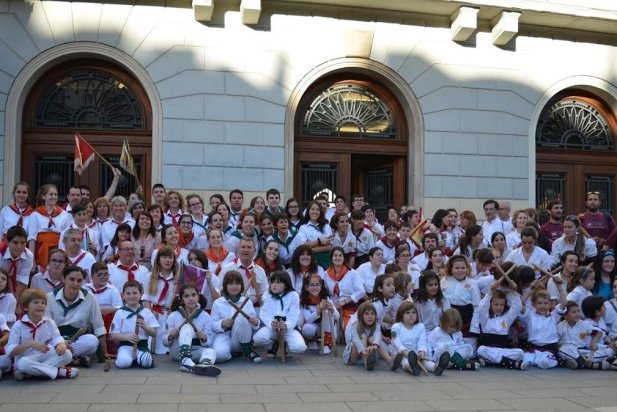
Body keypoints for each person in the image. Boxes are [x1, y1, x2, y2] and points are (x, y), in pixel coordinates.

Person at [7, 287, 78, 380]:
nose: (40, 305)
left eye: (43, 303)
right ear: (25, 307)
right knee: (23, 364)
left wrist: (60, 344)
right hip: (27, 358)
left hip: (45, 356)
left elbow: (56, 337)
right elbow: (10, 351)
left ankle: (31, 372)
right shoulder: (18, 325)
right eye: (36, 302)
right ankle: (59, 372)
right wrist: (31, 344)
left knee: (67, 354)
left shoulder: (49, 322)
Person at [45, 266, 107, 367]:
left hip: (77, 340)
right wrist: (60, 342)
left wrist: (104, 354)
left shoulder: (90, 298)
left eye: (79, 280)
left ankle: (63, 358)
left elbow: (99, 327)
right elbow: (46, 328)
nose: (75, 284)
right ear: (63, 279)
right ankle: (74, 360)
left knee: (92, 341)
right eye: (72, 279)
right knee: (47, 346)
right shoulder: (49, 298)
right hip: (55, 340)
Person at [163, 284, 221, 376]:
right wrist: (170, 336)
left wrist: (204, 338)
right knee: (187, 327)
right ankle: (185, 360)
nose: (191, 298)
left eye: (193, 295)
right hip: (178, 352)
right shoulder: (173, 316)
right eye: (186, 296)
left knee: (211, 351)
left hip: (194, 350)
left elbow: (209, 343)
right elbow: (165, 342)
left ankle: (204, 366)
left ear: (198, 297)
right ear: (182, 300)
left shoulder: (205, 316)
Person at [210, 270, 262, 363]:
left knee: (241, 318)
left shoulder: (246, 301)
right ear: (225, 285)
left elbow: (254, 324)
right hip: (224, 336)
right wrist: (222, 323)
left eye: (237, 283)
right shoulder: (218, 303)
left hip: (240, 339)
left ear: (241, 285)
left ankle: (247, 351)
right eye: (230, 283)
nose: (234, 286)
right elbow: (212, 325)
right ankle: (233, 352)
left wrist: (255, 322)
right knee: (220, 355)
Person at [253, 270, 306, 357]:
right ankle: (273, 345)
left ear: (285, 285)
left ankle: (286, 348)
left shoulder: (293, 295)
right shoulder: (267, 294)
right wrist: (271, 323)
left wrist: (286, 324)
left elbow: (294, 314)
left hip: (288, 329)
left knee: (299, 347)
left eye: (278, 283)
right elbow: (264, 313)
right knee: (258, 338)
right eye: (272, 282)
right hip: (272, 328)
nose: (274, 285)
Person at [391, 301, 450, 375]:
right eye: (407, 313)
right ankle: (412, 368)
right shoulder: (396, 326)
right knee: (404, 361)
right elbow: (397, 343)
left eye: (414, 312)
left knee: (425, 361)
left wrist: (421, 352)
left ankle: (436, 368)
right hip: (401, 353)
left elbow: (422, 341)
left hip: (415, 352)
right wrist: (408, 354)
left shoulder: (420, 326)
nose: (411, 315)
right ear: (401, 315)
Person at [477, 280, 526, 369]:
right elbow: (482, 307)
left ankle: (491, 362)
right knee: (481, 350)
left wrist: (514, 291)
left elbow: (517, 307)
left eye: (502, 305)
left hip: (502, 350)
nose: (499, 307)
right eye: (496, 304)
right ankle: (510, 363)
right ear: (490, 304)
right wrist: (490, 292)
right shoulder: (485, 318)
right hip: (489, 349)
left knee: (520, 353)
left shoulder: (506, 318)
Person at [110, 280, 158, 369]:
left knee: (147, 362)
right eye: (128, 293)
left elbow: (154, 333)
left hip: (142, 346)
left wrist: (145, 326)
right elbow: (113, 335)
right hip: (125, 346)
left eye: (135, 293)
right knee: (123, 363)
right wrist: (126, 337)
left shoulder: (146, 312)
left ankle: (138, 359)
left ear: (141, 294)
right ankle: (127, 358)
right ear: (123, 295)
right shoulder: (120, 312)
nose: (131, 296)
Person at [519, 285, 567, 369]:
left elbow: (564, 304)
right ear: (533, 304)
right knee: (525, 358)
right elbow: (519, 304)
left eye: (545, 303)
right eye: (539, 303)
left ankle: (557, 361)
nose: (543, 306)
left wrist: (559, 287)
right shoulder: (530, 316)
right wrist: (530, 290)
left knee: (544, 361)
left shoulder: (554, 316)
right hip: (533, 348)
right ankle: (528, 362)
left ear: (550, 304)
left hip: (548, 350)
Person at [143, 246, 179, 354]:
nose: (167, 260)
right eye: (164, 257)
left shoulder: (178, 278)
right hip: (156, 315)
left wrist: (179, 285)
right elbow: (146, 299)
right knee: (154, 347)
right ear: (158, 259)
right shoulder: (150, 277)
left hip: (171, 314)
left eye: (170, 257)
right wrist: (150, 316)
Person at [558, 300, 613, 370]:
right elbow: (556, 343)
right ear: (565, 315)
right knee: (563, 350)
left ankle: (579, 363)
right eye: (573, 312)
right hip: (571, 352)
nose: (577, 314)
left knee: (608, 352)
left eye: (578, 311)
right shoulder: (561, 326)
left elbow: (599, 332)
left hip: (584, 352)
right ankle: (592, 365)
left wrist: (594, 342)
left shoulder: (584, 324)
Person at [218, 237, 268, 309]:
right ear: (238, 249)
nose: (246, 250)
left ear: (254, 251)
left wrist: (262, 297)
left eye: (249, 247)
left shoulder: (260, 271)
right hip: (231, 308)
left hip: (254, 309)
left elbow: (266, 293)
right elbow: (220, 289)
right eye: (243, 247)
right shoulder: (228, 268)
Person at [29, 184, 70, 271]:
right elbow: (32, 239)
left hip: (58, 249)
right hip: (40, 250)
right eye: (51, 194)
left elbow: (67, 237)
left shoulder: (64, 214)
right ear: (43, 196)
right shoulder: (35, 214)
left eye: (55, 194)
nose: (54, 197)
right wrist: (32, 260)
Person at [324, 247, 365, 330]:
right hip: (333, 306)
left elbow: (361, 291)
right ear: (331, 258)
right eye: (335, 255)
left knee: (347, 328)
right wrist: (331, 303)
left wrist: (345, 301)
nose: (337, 258)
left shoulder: (352, 273)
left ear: (344, 258)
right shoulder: (325, 274)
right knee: (333, 333)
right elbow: (324, 292)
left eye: (340, 255)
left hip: (349, 305)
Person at [440, 255, 480, 337]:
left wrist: (474, 327)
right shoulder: (444, 281)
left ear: (467, 268)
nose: (460, 271)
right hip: (448, 320)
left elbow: (477, 306)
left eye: (463, 268)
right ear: (451, 269)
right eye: (457, 268)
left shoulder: (472, 283)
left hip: (466, 322)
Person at [298, 274, 338, 354]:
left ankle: (327, 343)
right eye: (311, 285)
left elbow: (337, 317)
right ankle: (312, 341)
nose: (314, 287)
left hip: (329, 329)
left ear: (321, 286)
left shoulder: (326, 299)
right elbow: (308, 319)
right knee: (307, 328)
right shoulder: (304, 301)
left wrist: (332, 309)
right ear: (307, 287)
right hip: (314, 327)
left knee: (326, 311)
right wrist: (318, 311)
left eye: (317, 285)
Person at [343, 301, 387, 371]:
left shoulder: (376, 325)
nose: (370, 316)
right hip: (354, 355)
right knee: (363, 336)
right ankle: (366, 362)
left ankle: (390, 361)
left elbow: (378, 335)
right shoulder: (355, 325)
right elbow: (356, 340)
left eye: (372, 314)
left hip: (367, 351)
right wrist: (363, 351)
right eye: (366, 314)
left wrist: (375, 345)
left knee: (373, 338)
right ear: (361, 315)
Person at [1, 225, 35, 305]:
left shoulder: (29, 256)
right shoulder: (1, 253)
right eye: (15, 242)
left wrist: (15, 302)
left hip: (18, 288)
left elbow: (23, 281)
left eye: (23, 243)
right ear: (8, 242)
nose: (19, 247)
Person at [298, 200, 333, 269]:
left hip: (325, 260)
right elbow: (302, 246)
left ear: (320, 212)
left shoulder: (326, 226)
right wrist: (319, 241)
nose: (315, 212)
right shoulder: (303, 227)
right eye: (312, 209)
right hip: (309, 259)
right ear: (308, 211)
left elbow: (329, 247)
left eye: (317, 210)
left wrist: (311, 248)